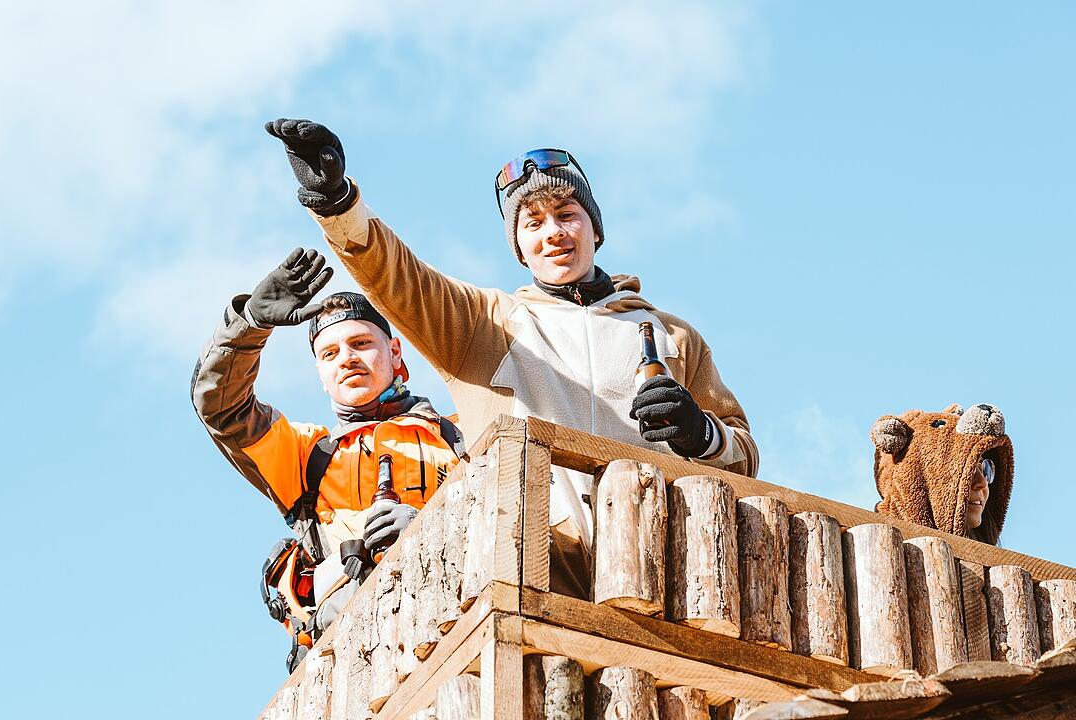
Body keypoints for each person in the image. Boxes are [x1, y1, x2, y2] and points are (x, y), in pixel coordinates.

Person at [265, 120, 759, 596]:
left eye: (567, 214)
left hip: (656, 571)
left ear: (595, 229)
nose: (553, 233)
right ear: (519, 247)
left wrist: (700, 432)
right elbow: (398, 276)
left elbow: (744, 457)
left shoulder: (673, 335)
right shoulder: (484, 326)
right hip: (533, 574)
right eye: (533, 223)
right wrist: (337, 204)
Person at [191, 247, 462, 667]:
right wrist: (250, 325)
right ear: (320, 373)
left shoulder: (457, 434)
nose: (347, 359)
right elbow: (221, 408)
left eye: (360, 343)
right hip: (358, 661)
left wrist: (428, 525)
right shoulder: (305, 453)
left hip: (455, 627)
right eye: (329, 353)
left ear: (395, 352)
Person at [872, 403, 1013, 545]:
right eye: (965, 469)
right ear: (922, 478)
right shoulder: (877, 545)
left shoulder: (987, 557)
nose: (982, 483)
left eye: (985, 468)